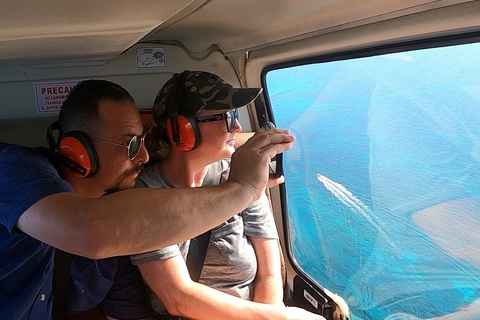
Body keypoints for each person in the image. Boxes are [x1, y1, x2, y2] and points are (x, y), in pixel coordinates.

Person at [0, 78, 315, 320]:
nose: (144, 156)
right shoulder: (15, 169)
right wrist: (242, 189)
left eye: (143, 142)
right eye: (130, 145)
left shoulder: (123, 228)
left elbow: (128, 312)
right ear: (76, 151)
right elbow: (88, 230)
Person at [130, 70, 284, 320]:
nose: (237, 126)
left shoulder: (240, 176)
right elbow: (178, 298)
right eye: (226, 116)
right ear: (183, 129)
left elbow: (270, 274)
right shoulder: (146, 196)